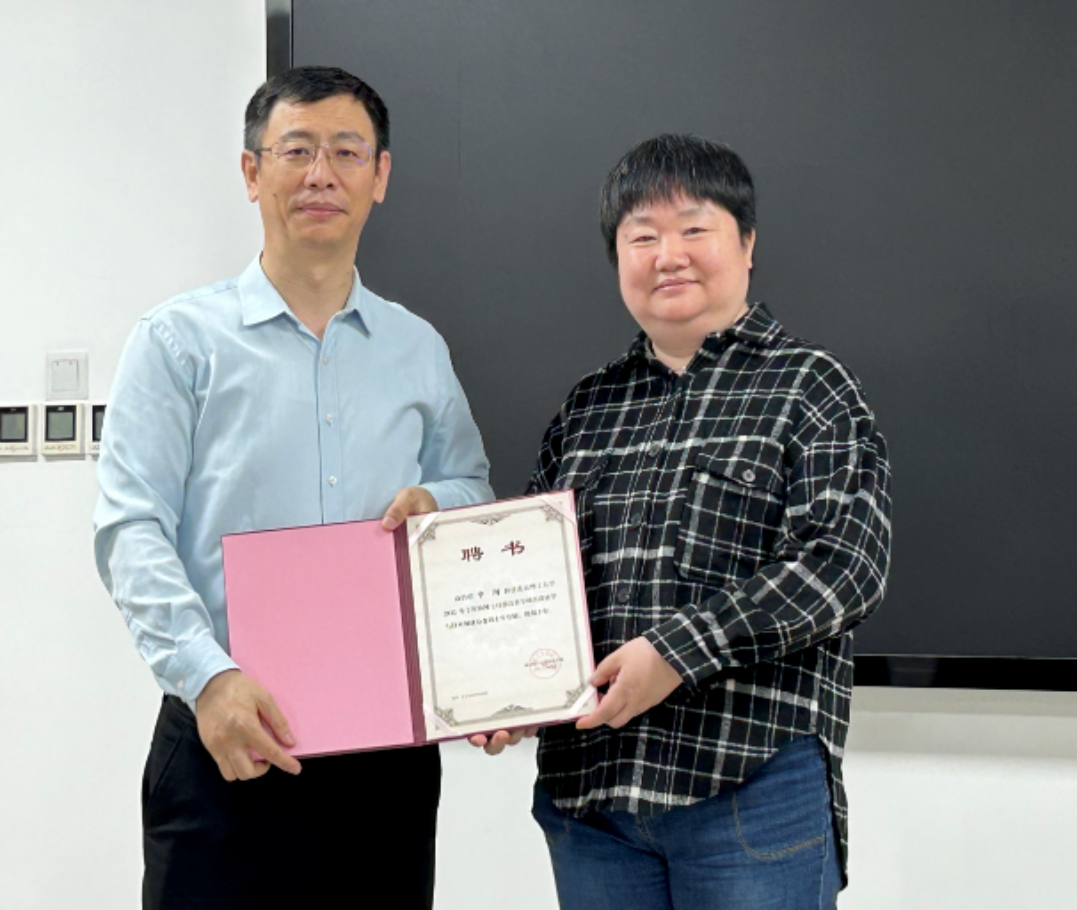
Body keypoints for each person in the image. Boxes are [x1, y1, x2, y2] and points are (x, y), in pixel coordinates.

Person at [94, 66, 493, 910]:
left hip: (386, 761)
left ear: (379, 177)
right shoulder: (177, 343)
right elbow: (130, 531)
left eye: (347, 152)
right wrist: (207, 678)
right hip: (226, 739)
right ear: (251, 172)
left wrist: (439, 504)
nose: (321, 174)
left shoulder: (417, 348)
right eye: (295, 150)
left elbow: (467, 486)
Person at [476, 135, 891, 909]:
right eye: (641, 237)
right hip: (592, 804)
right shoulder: (585, 410)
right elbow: (531, 582)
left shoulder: (810, 387)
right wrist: (504, 688)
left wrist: (676, 653)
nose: (668, 255)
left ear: (747, 244)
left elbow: (843, 564)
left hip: (748, 789)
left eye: (694, 228)